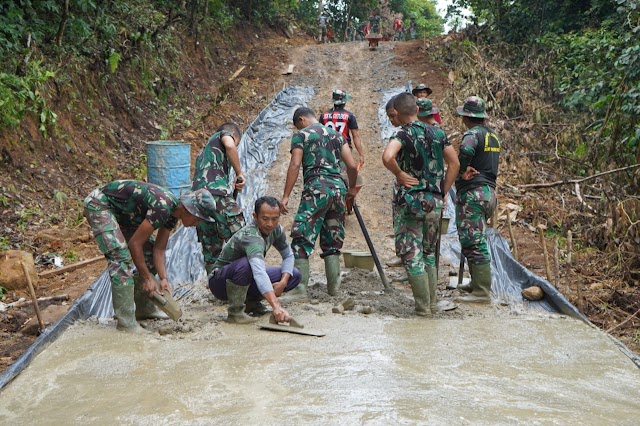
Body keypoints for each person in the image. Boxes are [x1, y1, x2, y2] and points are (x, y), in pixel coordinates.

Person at [83, 180, 217, 333]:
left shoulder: (173, 214)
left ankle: (143, 309)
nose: (196, 224)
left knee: (148, 254)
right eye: (198, 219)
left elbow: (159, 249)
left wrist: (164, 278)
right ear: (190, 210)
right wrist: (147, 278)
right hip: (100, 205)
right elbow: (135, 244)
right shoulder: (163, 207)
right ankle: (126, 322)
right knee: (120, 258)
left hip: (124, 215)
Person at [382, 93, 460, 316]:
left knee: (411, 253)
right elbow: (454, 163)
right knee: (428, 253)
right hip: (434, 202)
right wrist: (442, 190)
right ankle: (433, 304)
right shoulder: (437, 132)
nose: (391, 120)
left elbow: (388, 157)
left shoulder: (403, 133)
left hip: (411, 201)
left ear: (396, 112)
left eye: (391, 116)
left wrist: (400, 174)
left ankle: (422, 309)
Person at [281, 107, 359, 299]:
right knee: (332, 240)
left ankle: (299, 289)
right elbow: (351, 165)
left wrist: (285, 196)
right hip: (338, 190)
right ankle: (334, 289)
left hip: (316, 189)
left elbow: (295, 164)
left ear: (301, 120)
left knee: (301, 237)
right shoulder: (337, 135)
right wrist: (351, 189)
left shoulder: (302, 135)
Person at [208, 196, 302, 324]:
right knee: (247, 264)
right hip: (220, 282)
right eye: (265, 219)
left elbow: (288, 255)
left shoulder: (276, 230)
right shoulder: (251, 236)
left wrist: (283, 282)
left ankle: (252, 303)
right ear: (255, 216)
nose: (270, 224)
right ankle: (235, 312)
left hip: (247, 276)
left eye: (275, 219)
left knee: (294, 274)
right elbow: (259, 272)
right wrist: (276, 306)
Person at [454, 96, 500, 304]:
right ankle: (475, 283)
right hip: (489, 192)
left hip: (474, 192)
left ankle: (482, 291)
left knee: (474, 240)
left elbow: (466, 150)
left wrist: (462, 169)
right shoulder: (493, 135)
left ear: (466, 116)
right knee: (474, 237)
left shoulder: (472, 134)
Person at [192, 122, 246, 275]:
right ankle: (244, 281)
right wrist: (239, 173)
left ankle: (215, 285)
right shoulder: (224, 135)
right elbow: (229, 145)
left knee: (210, 245)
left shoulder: (204, 153)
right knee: (242, 236)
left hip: (197, 200)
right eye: (238, 144)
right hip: (215, 193)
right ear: (234, 135)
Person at [319, 89, 365, 169]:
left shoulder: (324, 115)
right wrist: (361, 154)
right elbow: (355, 136)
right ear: (344, 102)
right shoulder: (349, 115)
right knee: (343, 173)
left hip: (328, 148)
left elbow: (320, 134)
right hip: (344, 148)